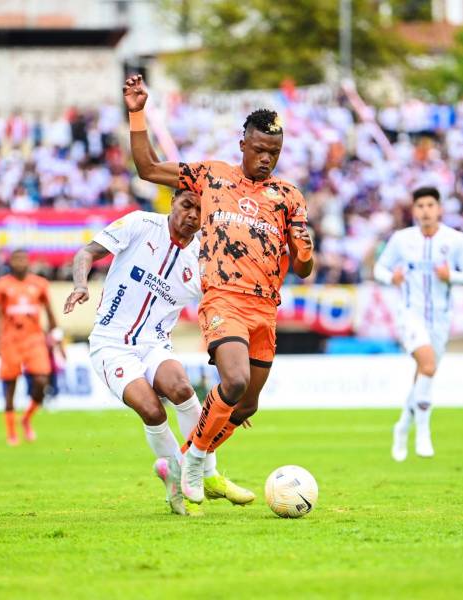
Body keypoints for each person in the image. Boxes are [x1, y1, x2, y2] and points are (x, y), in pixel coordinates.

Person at [122, 74, 314, 504]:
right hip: (223, 298)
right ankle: (195, 464)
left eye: (275, 153)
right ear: (242, 143)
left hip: (265, 308)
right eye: (260, 150)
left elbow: (303, 267)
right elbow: (148, 168)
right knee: (233, 379)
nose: (267, 159)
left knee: (246, 405)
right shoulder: (211, 176)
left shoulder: (288, 196)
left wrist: (303, 243)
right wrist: (137, 113)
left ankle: (188, 458)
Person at [63, 189, 254, 516]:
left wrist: (230, 390)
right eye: (186, 206)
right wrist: (81, 284)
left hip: (154, 344)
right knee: (153, 411)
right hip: (112, 344)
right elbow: (86, 253)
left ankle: (208, 475)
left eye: (199, 211)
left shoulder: (201, 262)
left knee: (181, 388)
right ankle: (178, 482)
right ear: (173, 203)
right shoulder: (140, 224)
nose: (192, 215)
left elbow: (220, 318)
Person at [374, 187, 463, 461]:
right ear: (414, 210)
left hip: (441, 318)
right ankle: (423, 432)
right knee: (428, 365)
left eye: (430, 205)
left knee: (424, 372)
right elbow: (379, 269)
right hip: (410, 314)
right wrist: (391, 278)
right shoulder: (401, 240)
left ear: (439, 209)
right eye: (420, 205)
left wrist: (451, 276)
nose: (425, 210)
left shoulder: (455, 240)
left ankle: (401, 427)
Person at [0, 249, 59, 445]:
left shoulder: (39, 284)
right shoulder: (2, 285)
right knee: (10, 384)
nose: (20, 263)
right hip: (10, 340)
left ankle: (27, 418)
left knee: (41, 380)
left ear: (28, 262)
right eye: (16, 259)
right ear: (10, 263)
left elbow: (49, 311)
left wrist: (55, 335)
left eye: (23, 259)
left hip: (34, 339)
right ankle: (11, 431)